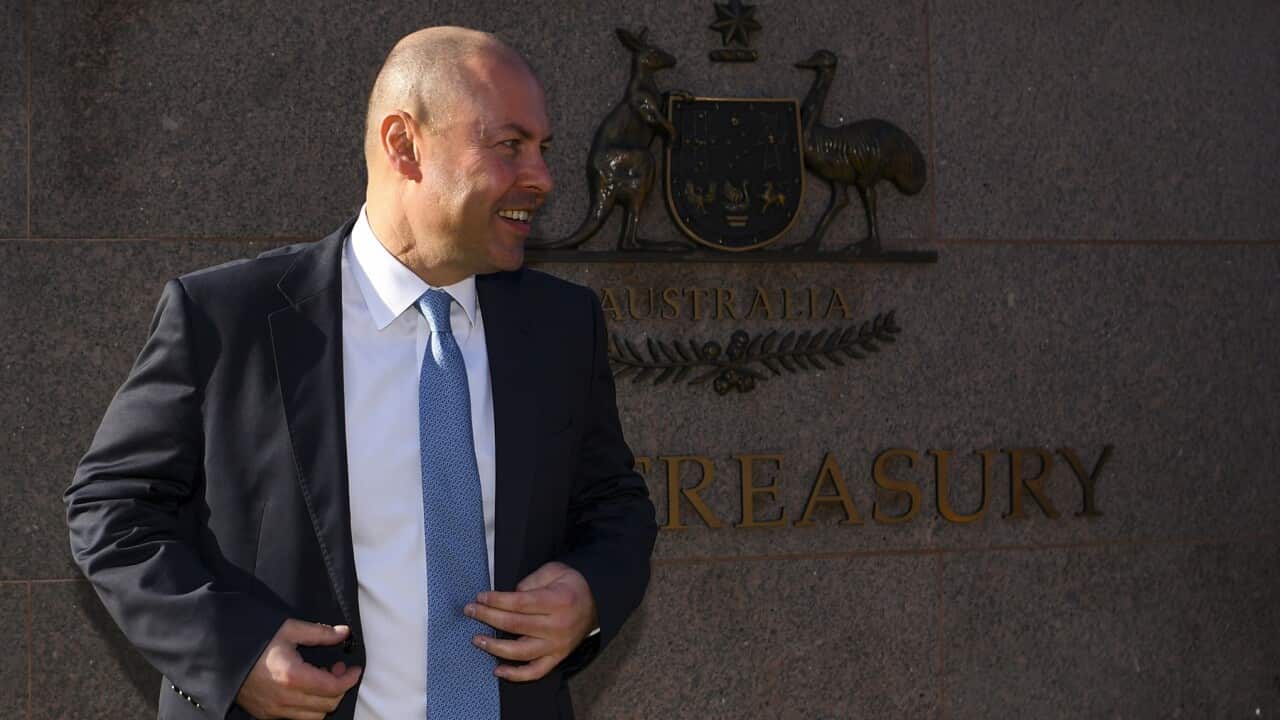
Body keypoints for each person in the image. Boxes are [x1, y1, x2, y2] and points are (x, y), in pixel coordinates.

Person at [65, 26, 656, 720]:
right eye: (510, 145)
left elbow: (615, 504)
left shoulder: (563, 325)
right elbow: (111, 510)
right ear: (404, 145)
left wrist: (588, 593)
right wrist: (233, 652)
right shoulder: (227, 318)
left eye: (543, 149)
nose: (544, 179)